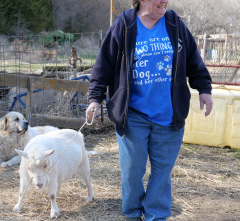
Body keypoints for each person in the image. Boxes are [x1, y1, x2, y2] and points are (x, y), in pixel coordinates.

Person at [86, 0, 213, 220]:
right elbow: (103, 64)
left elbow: (193, 58)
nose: (164, 1)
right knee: (133, 171)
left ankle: (156, 215)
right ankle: (134, 214)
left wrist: (204, 88)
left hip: (169, 114)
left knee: (162, 173)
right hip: (132, 114)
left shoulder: (175, 24)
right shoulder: (124, 24)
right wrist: (95, 98)